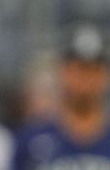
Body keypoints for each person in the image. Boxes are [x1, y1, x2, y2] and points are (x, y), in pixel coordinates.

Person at [12, 24, 110, 169]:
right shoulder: (32, 140)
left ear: (105, 75)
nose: (84, 79)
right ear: (61, 73)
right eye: (77, 70)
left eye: (92, 70)